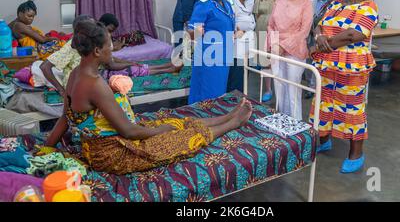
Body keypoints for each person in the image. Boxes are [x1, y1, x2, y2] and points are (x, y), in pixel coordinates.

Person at [45, 20, 253, 175]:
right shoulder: (95, 84)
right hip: (112, 155)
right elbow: (128, 131)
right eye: (111, 46)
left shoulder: (75, 75)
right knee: (180, 139)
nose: (114, 49)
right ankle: (233, 122)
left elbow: (65, 118)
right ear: (98, 50)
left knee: (174, 122)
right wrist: (159, 131)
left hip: (97, 145)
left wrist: (46, 148)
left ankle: (226, 116)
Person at [309, 0, 378, 174]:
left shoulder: (369, 7)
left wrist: (324, 43)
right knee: (323, 103)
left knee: (351, 109)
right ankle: (323, 139)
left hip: (352, 67)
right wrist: (320, 36)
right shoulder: (336, 4)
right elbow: (319, 24)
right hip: (327, 64)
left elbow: (353, 35)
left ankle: (356, 153)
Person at [40, 14, 137, 97]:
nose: (95, 30)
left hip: (88, 82)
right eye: (92, 28)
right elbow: (45, 67)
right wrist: (61, 90)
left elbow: (109, 62)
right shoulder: (71, 47)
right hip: (78, 88)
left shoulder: (92, 45)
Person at [267, 0, 313, 120]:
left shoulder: (306, 3)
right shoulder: (279, 1)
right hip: (276, 49)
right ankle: (281, 121)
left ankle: (295, 125)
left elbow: (304, 31)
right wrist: (273, 44)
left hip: (295, 50)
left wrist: (283, 45)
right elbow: (271, 24)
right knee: (279, 87)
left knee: (292, 90)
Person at [188, 0, 236, 104]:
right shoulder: (203, 4)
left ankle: (215, 115)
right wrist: (196, 32)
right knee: (207, 90)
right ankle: (203, 118)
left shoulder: (227, 4)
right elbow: (191, 30)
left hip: (224, 54)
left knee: (219, 89)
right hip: (208, 55)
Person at [304, 0, 341, 99]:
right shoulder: (316, 2)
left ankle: (321, 89)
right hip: (312, 37)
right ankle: (311, 87)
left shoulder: (340, 5)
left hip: (328, 41)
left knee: (322, 67)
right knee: (310, 64)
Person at [253, 0, 283, 102]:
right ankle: (268, 89)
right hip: (262, 30)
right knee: (265, 62)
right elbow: (256, 14)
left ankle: (281, 88)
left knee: (277, 61)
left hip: (278, 31)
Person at [227, 0, 256, 93]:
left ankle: (241, 101)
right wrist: (241, 29)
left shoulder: (248, 1)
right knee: (237, 76)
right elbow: (231, 21)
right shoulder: (230, 1)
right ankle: (233, 102)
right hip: (237, 44)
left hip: (247, 42)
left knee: (245, 75)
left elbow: (249, 18)